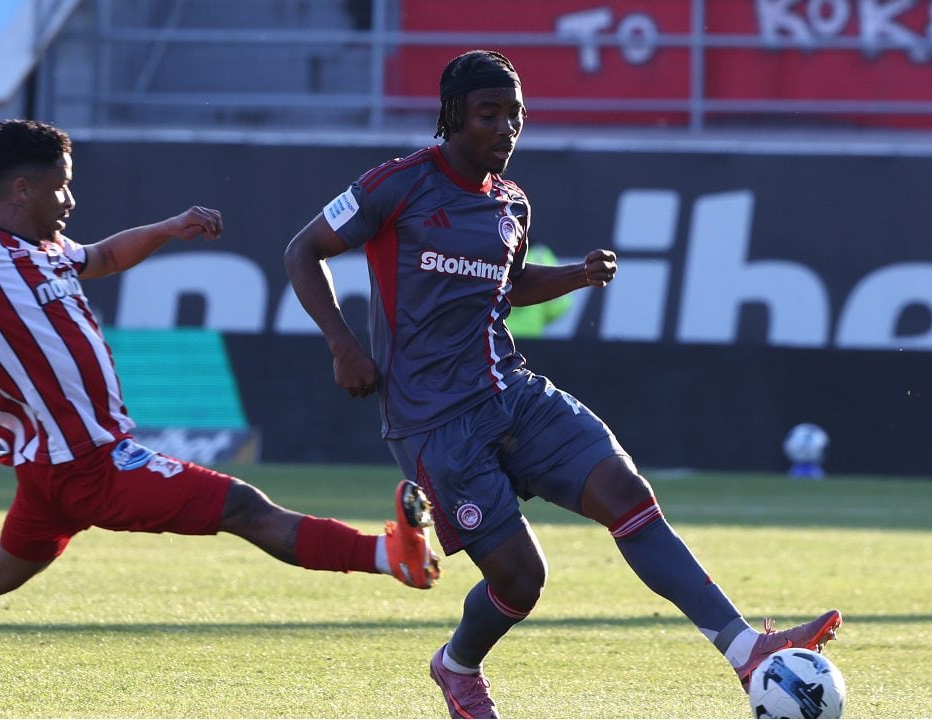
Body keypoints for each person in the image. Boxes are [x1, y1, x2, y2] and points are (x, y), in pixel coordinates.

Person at [0, 119, 441, 719]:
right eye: (61, 186)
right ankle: (391, 557)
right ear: (22, 189)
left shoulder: (46, 253)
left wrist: (168, 227)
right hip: (89, 465)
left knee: (1, 568)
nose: (70, 199)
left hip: (54, 470)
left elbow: (102, 256)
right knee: (245, 508)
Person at [284, 50, 841, 718]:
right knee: (521, 580)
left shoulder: (511, 203)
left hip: (511, 391)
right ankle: (456, 667)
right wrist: (343, 344)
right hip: (434, 421)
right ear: (453, 116)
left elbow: (509, 286)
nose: (506, 128)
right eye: (489, 114)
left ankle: (745, 649)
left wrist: (577, 274)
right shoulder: (396, 185)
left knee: (626, 493)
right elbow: (302, 250)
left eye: (515, 115)